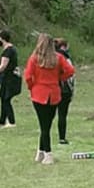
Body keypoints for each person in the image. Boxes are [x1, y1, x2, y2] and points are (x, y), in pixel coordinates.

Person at [24, 33, 75, 165]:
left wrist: (32, 87)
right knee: (47, 124)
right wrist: (59, 79)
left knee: (44, 126)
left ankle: (47, 153)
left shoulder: (34, 59)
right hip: (54, 93)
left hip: (38, 93)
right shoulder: (58, 58)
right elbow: (70, 71)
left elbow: (28, 76)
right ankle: (41, 152)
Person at [55, 38, 75, 145]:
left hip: (52, 88)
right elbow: (71, 74)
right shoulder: (65, 59)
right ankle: (62, 137)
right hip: (64, 89)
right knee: (62, 114)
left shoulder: (50, 58)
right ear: (64, 47)